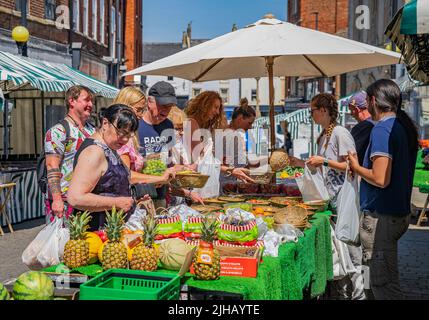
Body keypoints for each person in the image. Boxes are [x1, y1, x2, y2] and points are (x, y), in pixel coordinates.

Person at [348, 79, 419, 300]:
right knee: (369, 273)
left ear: (372, 101)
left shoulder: (382, 130)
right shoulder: (401, 126)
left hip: (381, 218)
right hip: (394, 213)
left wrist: (356, 166)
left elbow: (380, 179)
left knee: (383, 283)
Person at [289, 93, 364, 300]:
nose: (310, 114)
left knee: (353, 254)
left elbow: (351, 166)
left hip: (344, 201)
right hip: (330, 202)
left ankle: (359, 296)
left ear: (323, 111)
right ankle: (343, 294)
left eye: (312, 110)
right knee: (340, 253)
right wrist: (300, 163)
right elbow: (323, 169)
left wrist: (323, 161)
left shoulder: (340, 133)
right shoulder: (324, 136)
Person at [67, 104, 138, 231]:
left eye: (130, 134)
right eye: (122, 132)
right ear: (105, 123)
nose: (126, 139)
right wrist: (117, 203)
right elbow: (75, 197)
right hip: (95, 233)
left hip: (110, 231)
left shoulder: (108, 146)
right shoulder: (94, 152)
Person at [138, 81, 200, 207]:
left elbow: (169, 160)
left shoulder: (168, 125)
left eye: (170, 106)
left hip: (162, 197)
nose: (166, 110)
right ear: (150, 101)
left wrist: (179, 170)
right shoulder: (136, 126)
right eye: (163, 105)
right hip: (140, 197)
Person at [185, 91, 252, 198]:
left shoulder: (205, 127)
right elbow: (199, 162)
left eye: (218, 108)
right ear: (204, 105)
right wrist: (231, 170)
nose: (217, 112)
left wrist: (231, 170)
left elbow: (208, 162)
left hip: (207, 183)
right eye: (215, 107)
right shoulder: (191, 123)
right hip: (194, 186)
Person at [44, 85, 96, 220]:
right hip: (66, 203)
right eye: (87, 100)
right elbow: (51, 165)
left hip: (89, 200)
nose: (91, 104)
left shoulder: (93, 131)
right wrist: (56, 199)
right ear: (71, 101)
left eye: (92, 101)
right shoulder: (58, 131)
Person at [113, 86, 176, 186]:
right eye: (138, 110)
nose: (141, 115)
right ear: (124, 107)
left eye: (142, 110)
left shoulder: (129, 135)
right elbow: (126, 175)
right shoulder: (121, 137)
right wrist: (159, 178)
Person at [220, 105, 256, 194]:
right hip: (226, 185)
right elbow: (241, 163)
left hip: (223, 183)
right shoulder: (233, 136)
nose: (250, 127)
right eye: (249, 123)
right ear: (240, 118)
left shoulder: (224, 132)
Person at [346, 90, 375, 165]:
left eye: (351, 110)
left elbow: (351, 154)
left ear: (356, 109)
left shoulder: (361, 128)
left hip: (364, 172)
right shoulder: (379, 123)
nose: (351, 114)